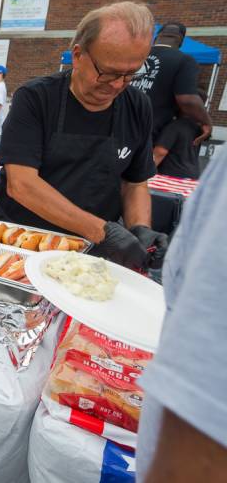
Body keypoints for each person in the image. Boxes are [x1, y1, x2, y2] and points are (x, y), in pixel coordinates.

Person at [0, 1, 168, 270]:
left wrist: (140, 229)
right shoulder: (36, 98)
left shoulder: (138, 106)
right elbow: (22, 184)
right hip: (20, 246)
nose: (118, 84)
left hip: (89, 254)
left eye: (130, 74)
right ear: (77, 55)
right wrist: (102, 231)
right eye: (107, 72)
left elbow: (134, 183)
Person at [136, 148, 227, 482]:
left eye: (124, 88)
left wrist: (138, 227)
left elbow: (206, 414)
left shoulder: (135, 108)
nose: (115, 90)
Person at [132, 22, 212, 144]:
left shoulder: (134, 54)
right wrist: (206, 122)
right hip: (143, 133)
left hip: (109, 122)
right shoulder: (184, 60)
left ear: (156, 37)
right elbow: (187, 100)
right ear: (181, 42)